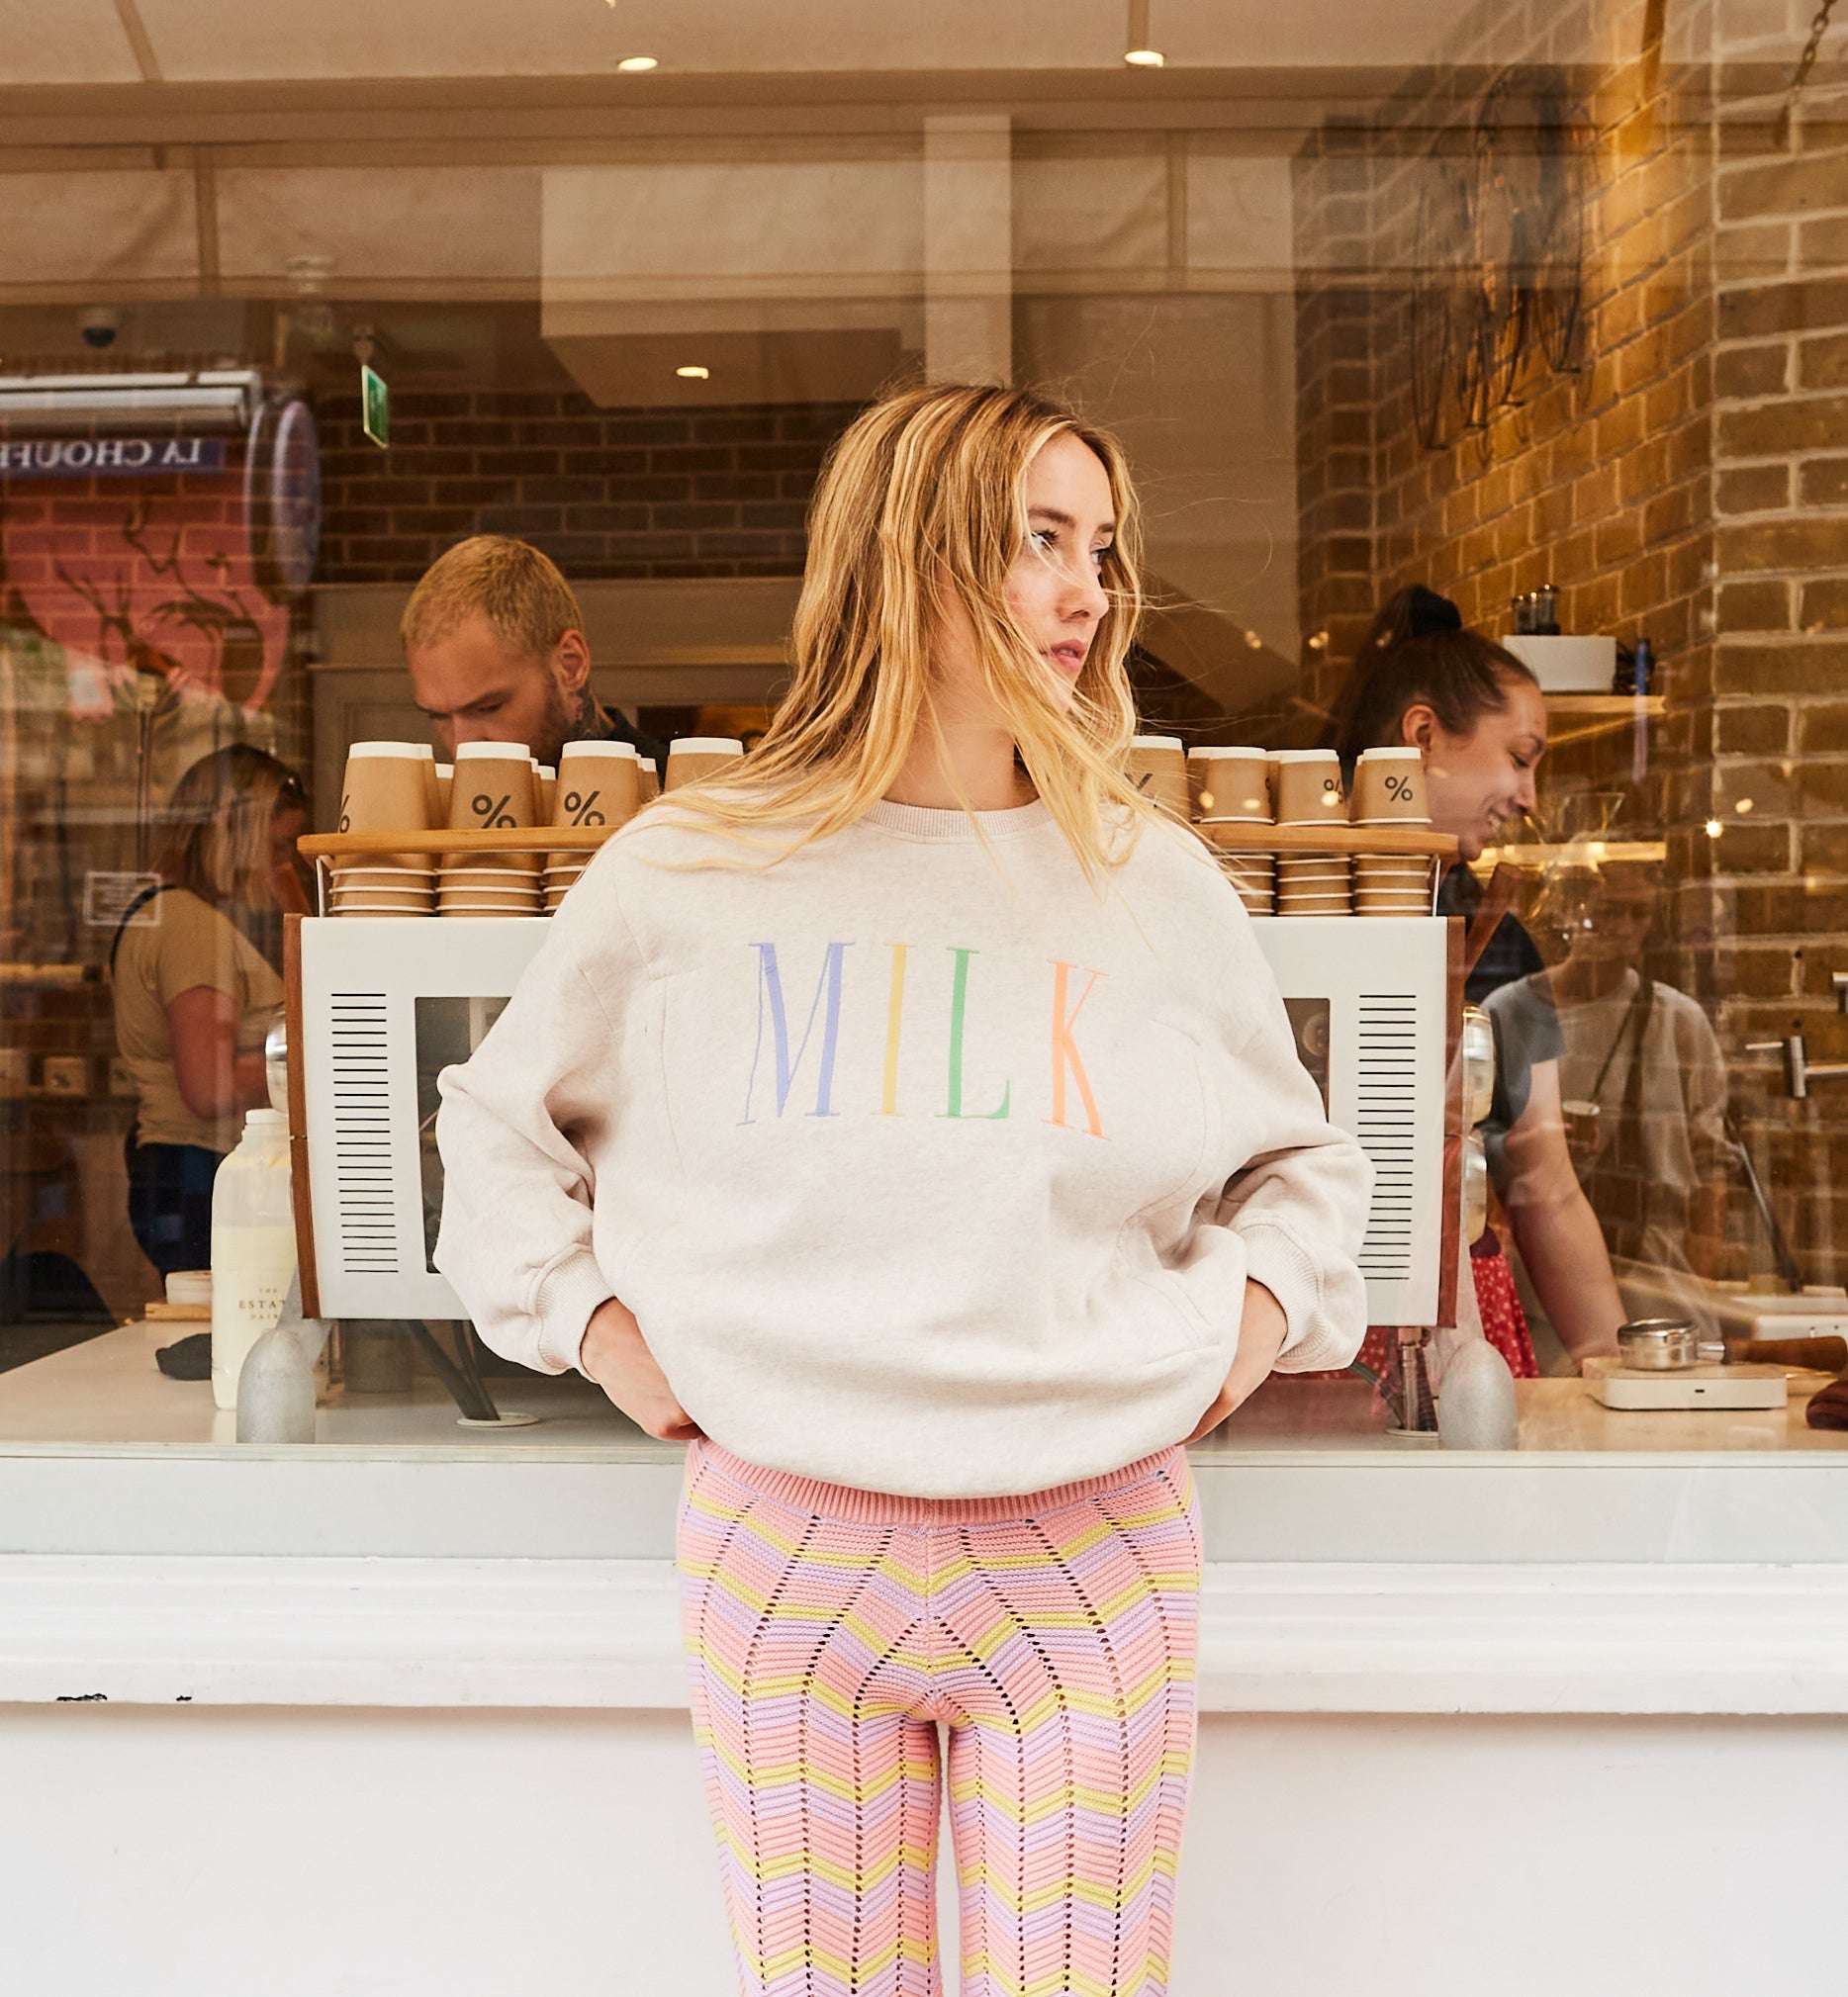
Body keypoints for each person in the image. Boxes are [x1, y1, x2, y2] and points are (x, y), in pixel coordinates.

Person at [431, 383, 1372, 1997]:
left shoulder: (1148, 879)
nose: (1086, 589)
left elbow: (1303, 1161)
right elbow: (496, 1129)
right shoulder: (690, 870)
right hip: (788, 1543)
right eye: (1037, 542)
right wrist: (593, 1326)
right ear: (910, 554)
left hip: (1092, 1542)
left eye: (1099, 547)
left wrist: (1244, 1329)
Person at [1325, 585, 1623, 1374]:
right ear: (1423, 734)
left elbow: (1544, 1178)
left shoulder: (1501, 946)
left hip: (1465, 1324)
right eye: (1520, 759)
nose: (1529, 798)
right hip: (1305, 1308)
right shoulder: (1285, 907)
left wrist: (1606, 1359)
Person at [1490, 858, 1730, 1308]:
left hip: (1655, 1265)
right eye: (1608, 911)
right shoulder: (1509, 1012)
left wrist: (1702, 1271)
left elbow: (1712, 1157)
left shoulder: (1677, 1019)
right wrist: (1524, 1150)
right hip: (1539, 1266)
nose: (1623, 927)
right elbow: (1468, 1140)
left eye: (1639, 913)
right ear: (1568, 912)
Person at [109, 746, 307, 1279]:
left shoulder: (167, 911)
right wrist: (314, 1058)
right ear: (233, 831)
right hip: (198, 1170)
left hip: (185, 1169)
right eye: (277, 844)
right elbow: (209, 1086)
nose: (282, 863)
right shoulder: (187, 924)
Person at [399, 534, 669, 771]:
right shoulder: (439, 816)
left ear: (570, 666)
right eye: (439, 717)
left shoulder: (679, 806)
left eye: (488, 708)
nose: (461, 749)